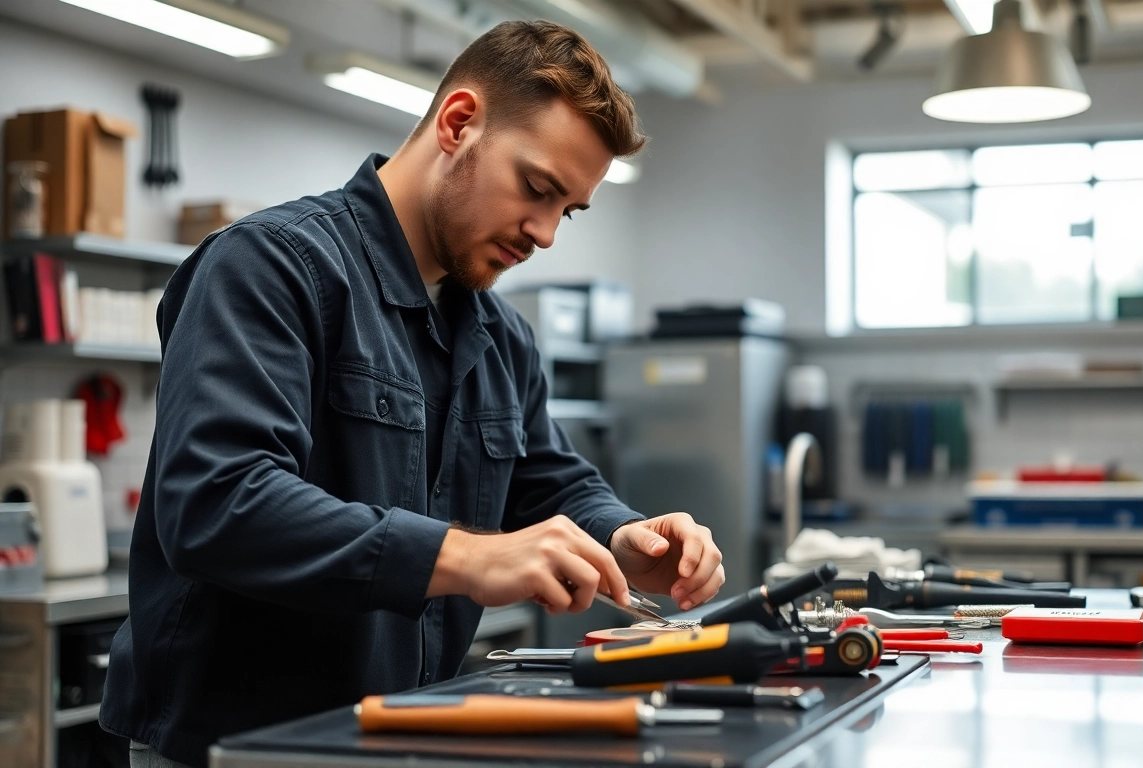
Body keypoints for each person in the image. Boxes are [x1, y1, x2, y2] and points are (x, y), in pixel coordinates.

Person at [100, 20, 725, 768]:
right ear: (459, 123)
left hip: (398, 737)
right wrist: (460, 557)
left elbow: (543, 481)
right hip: (236, 746)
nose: (547, 234)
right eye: (537, 188)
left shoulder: (501, 335)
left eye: (569, 209)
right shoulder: (272, 268)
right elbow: (217, 502)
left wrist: (626, 535)